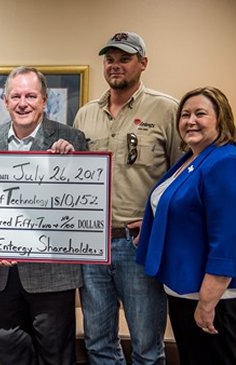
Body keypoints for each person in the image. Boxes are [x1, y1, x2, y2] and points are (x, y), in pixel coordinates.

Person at [72, 32, 182, 364]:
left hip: (138, 245)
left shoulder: (166, 109)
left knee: (147, 347)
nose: (115, 65)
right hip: (92, 246)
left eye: (125, 58)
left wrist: (155, 223)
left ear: (143, 63)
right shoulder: (85, 115)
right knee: (98, 344)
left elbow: (182, 183)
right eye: (110, 59)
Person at [0, 66, 87, 365]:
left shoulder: (70, 139)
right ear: (5, 101)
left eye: (30, 96)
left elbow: (81, 206)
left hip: (52, 273)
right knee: (8, 349)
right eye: (15, 96)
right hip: (0, 273)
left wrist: (72, 165)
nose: (22, 103)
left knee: (56, 354)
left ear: (44, 100)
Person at [137, 87, 236, 365]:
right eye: (185, 115)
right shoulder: (191, 159)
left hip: (213, 297)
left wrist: (207, 302)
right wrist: (152, 229)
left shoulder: (225, 161)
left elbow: (228, 239)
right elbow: (181, 209)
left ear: (220, 119)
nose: (190, 121)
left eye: (200, 114)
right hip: (183, 289)